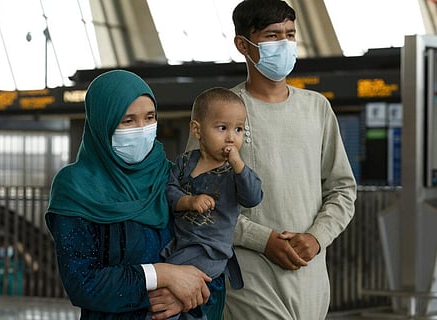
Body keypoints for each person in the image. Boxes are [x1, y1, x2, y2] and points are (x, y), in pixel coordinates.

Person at [186, 1, 357, 319]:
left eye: (290, 35)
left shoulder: (316, 108)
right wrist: (262, 240)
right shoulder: (220, 114)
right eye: (271, 35)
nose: (284, 44)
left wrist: (316, 238)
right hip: (249, 282)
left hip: (311, 282)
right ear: (243, 44)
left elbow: (342, 190)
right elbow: (194, 202)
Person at [45, 70, 215, 320]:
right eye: (128, 121)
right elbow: (83, 283)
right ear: (103, 123)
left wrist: (185, 296)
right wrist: (162, 275)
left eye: (149, 118)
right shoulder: (75, 187)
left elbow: (214, 252)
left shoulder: (173, 177)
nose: (143, 129)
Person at [162, 87, 263, 319]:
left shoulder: (234, 172)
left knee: (168, 290)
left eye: (238, 129)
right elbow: (169, 191)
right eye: (222, 128)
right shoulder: (185, 162)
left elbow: (253, 197)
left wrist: (239, 166)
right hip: (181, 245)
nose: (231, 137)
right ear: (197, 130)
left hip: (209, 252)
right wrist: (188, 201)